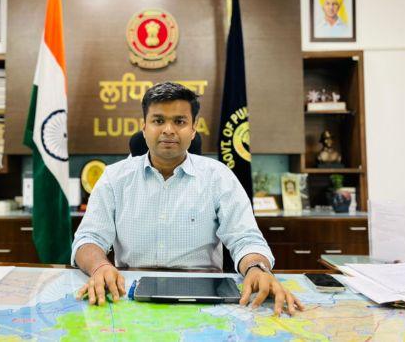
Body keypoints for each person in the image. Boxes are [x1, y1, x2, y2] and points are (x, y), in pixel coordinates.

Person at [72, 82, 304, 316]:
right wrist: (100, 267)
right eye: (158, 121)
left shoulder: (218, 176)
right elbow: (88, 238)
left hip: (205, 300)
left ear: (193, 130)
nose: (168, 130)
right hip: (129, 294)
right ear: (144, 127)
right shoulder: (114, 178)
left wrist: (256, 268)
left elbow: (245, 238)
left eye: (180, 121)